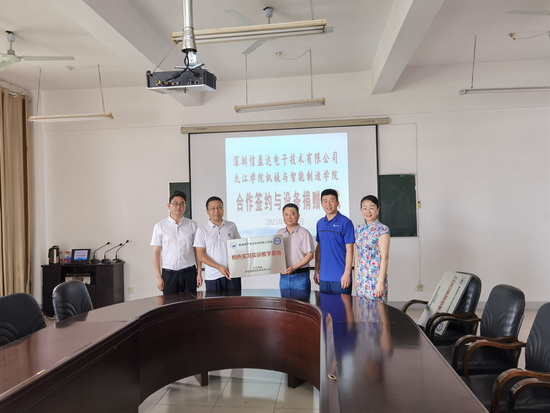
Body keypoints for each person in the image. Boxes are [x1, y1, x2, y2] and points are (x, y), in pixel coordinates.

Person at [151, 191, 202, 295]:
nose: (179, 207)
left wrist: (199, 272)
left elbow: (197, 251)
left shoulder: (192, 225)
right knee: (170, 303)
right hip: (169, 274)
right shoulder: (160, 226)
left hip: (189, 272)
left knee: (190, 302)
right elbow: (156, 253)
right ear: (169, 206)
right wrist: (158, 277)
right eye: (175, 203)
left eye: (182, 204)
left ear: (185, 206)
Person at [193, 196, 242, 292]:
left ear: (223, 209)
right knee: (214, 302)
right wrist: (219, 267)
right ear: (207, 211)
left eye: (219, 207)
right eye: (212, 208)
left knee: (235, 301)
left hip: (232, 275)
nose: (216, 211)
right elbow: (200, 255)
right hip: (213, 277)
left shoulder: (231, 226)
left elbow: (239, 247)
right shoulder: (202, 230)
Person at [314, 189, 355, 294]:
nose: (328, 204)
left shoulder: (346, 222)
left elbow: (350, 250)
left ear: (337, 203)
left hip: (340, 277)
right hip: (324, 277)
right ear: (321, 204)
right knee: (324, 305)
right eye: (325, 201)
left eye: (331, 201)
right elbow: (319, 248)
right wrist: (316, 270)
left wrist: (347, 273)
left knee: (342, 305)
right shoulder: (320, 223)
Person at [354, 195, 390, 302]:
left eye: (371, 208)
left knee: (377, 310)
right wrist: (356, 278)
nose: (368, 211)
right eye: (364, 208)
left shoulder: (382, 229)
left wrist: (380, 283)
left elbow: (385, 258)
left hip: (375, 278)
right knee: (361, 309)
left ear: (378, 209)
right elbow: (357, 255)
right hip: (361, 278)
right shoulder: (359, 229)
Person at [276, 203, 315, 292]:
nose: (289, 217)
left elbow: (310, 255)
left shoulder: (304, 232)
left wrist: (293, 268)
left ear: (298, 216)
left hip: (300, 277)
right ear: (283, 216)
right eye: (286, 214)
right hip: (284, 277)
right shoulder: (279, 233)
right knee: (285, 301)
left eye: (292, 214)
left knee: (301, 301)